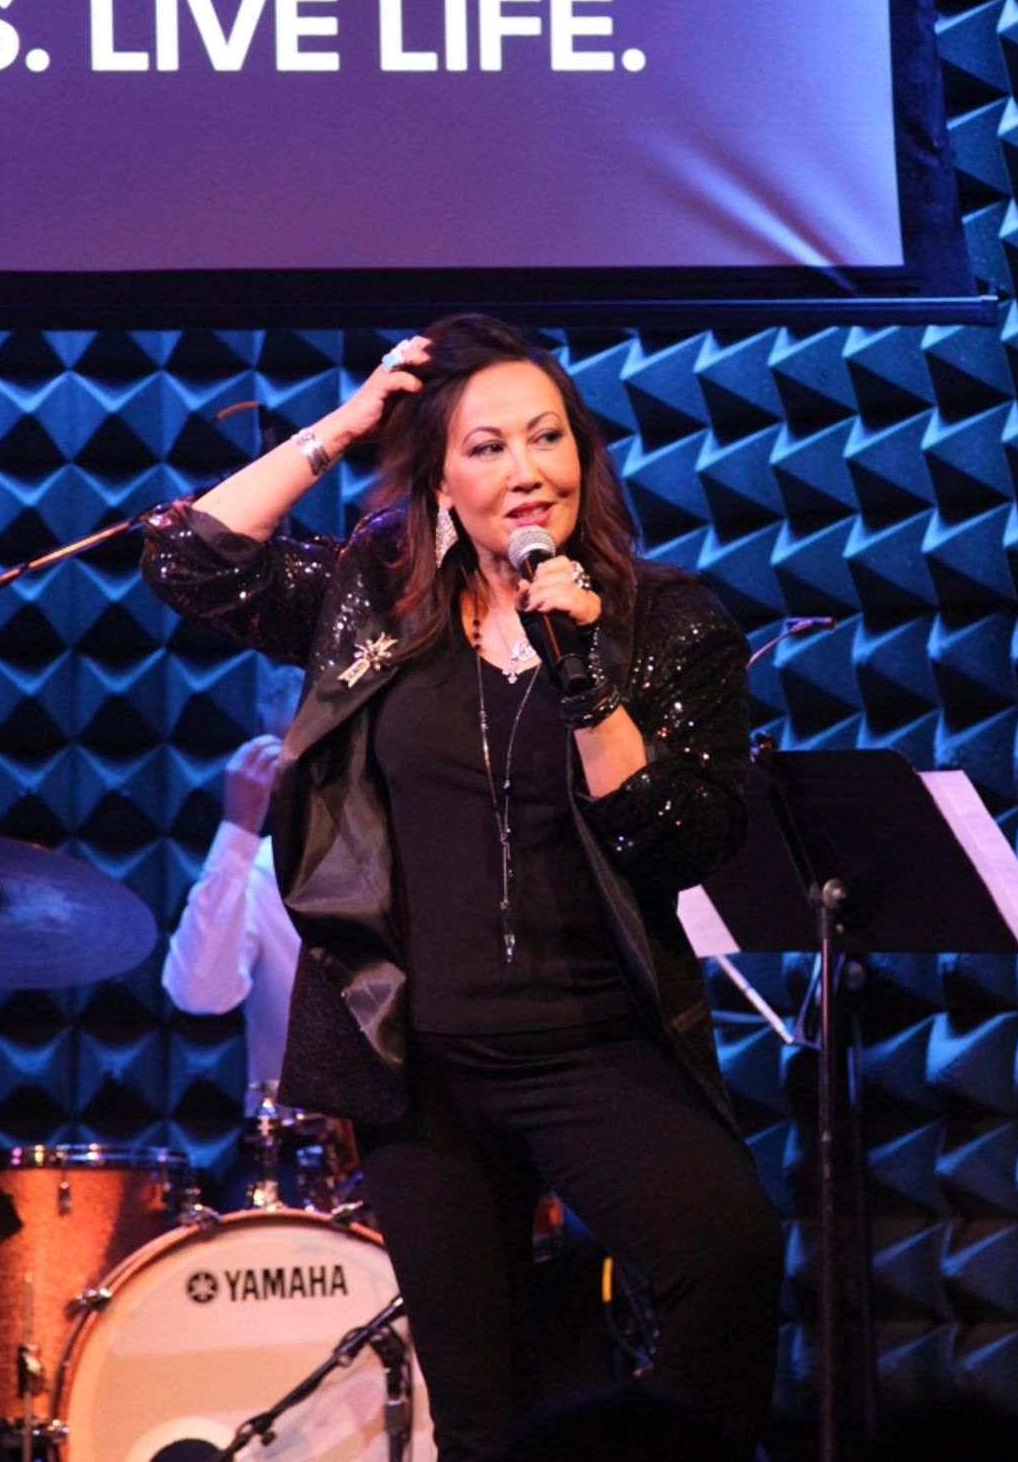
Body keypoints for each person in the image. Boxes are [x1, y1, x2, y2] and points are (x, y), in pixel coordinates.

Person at [142, 314, 782, 1459]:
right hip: (419, 1063)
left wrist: (582, 675)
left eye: (548, 438)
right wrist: (343, 425)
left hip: (595, 1048)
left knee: (728, 1255)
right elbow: (188, 555)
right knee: (478, 1412)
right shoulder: (371, 605)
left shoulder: (666, 623)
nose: (528, 471)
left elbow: (676, 839)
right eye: (487, 446)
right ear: (438, 473)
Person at [162, 658, 303, 1092]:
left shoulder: (412, 855)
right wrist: (238, 829)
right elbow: (197, 993)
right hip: (298, 1143)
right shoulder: (261, 867)